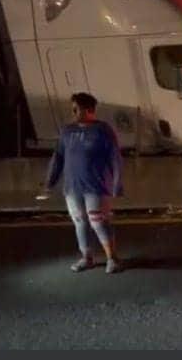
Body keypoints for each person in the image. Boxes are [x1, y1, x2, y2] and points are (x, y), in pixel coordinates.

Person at [40, 92, 124, 273]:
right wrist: (49, 182)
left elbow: (115, 158)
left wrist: (117, 183)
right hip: (72, 187)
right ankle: (86, 258)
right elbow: (58, 158)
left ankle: (112, 258)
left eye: (76, 108)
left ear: (88, 110)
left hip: (97, 186)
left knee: (98, 222)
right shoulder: (67, 131)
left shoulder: (103, 130)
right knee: (79, 221)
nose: (73, 112)